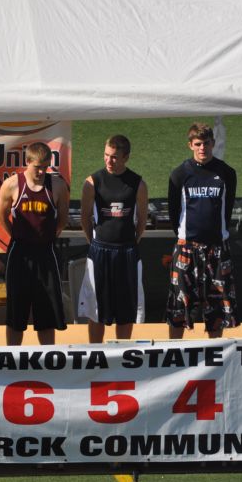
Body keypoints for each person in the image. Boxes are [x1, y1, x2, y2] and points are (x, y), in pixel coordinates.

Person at [166, 123, 238, 338]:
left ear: (213, 143)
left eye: (206, 143)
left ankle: (215, 359)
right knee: (179, 309)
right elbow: (173, 212)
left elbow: (228, 209)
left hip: (216, 250)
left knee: (216, 311)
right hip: (187, 249)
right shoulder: (179, 174)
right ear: (190, 145)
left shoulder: (226, 173)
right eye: (197, 144)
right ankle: (174, 354)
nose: (202, 148)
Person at [0, 142, 69, 345]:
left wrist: (48, 235)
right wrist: (17, 236)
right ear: (27, 162)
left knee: (46, 312)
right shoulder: (12, 184)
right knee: (16, 313)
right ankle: (12, 357)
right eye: (37, 166)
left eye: (45, 167)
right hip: (19, 253)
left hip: (46, 253)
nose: (41, 171)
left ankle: (47, 358)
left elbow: (61, 219)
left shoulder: (57, 185)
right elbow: (1, 217)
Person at [78, 135, 148, 343]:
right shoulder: (92, 182)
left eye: (115, 157)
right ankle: (96, 353)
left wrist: (131, 243)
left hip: (127, 251)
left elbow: (142, 220)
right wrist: (95, 243)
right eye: (106, 156)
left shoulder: (138, 184)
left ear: (126, 157)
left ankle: (121, 353)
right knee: (96, 308)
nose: (109, 161)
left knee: (126, 309)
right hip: (100, 251)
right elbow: (85, 218)